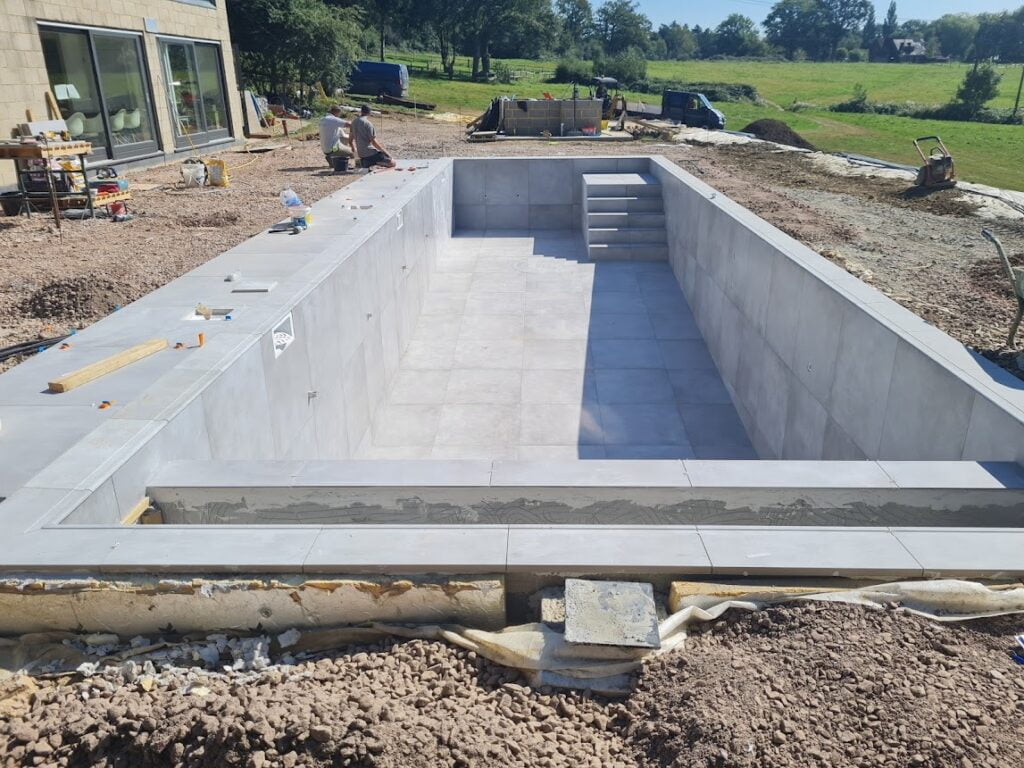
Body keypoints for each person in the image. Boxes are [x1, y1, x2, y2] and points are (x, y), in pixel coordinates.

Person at [349, 104, 396, 170]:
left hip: (361, 154)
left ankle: (367, 162)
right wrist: (386, 153)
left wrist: (354, 149)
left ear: (361, 111)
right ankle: (373, 163)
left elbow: (350, 140)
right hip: (369, 153)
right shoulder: (368, 124)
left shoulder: (353, 122)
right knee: (393, 163)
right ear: (369, 112)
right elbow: (373, 142)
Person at [318, 106, 353, 172]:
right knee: (353, 153)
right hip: (333, 148)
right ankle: (335, 156)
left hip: (325, 149)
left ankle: (332, 157)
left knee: (343, 138)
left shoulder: (323, 119)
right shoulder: (333, 119)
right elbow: (349, 124)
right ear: (337, 113)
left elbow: (343, 135)